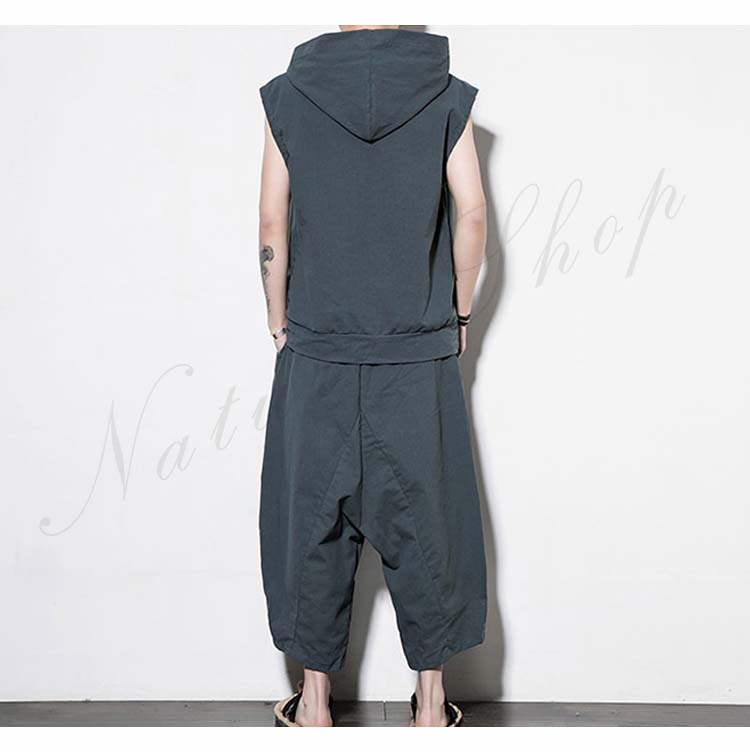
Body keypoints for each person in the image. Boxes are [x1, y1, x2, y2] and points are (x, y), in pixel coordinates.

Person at [257, 25, 488, 727]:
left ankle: (315, 704)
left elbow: (270, 220)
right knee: (431, 527)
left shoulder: (289, 97)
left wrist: (279, 322)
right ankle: (430, 704)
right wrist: (458, 313)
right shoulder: (442, 94)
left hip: (318, 353)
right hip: (416, 357)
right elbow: (472, 212)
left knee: (309, 527)